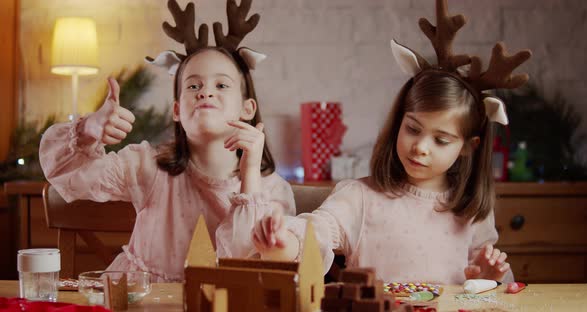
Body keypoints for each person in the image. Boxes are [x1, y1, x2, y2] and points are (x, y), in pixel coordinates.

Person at [251, 0, 531, 284]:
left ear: (469, 146)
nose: (421, 146)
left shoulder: (473, 211)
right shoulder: (360, 197)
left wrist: (488, 277)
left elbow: (494, 286)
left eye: (441, 140)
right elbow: (316, 231)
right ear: (398, 122)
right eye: (413, 129)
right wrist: (281, 241)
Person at [39, 0, 295, 282]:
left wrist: (249, 174)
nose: (205, 93)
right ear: (176, 110)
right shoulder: (146, 166)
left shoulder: (272, 192)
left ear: (248, 109)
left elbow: (246, 271)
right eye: (193, 85)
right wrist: (88, 129)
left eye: (221, 85)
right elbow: (64, 172)